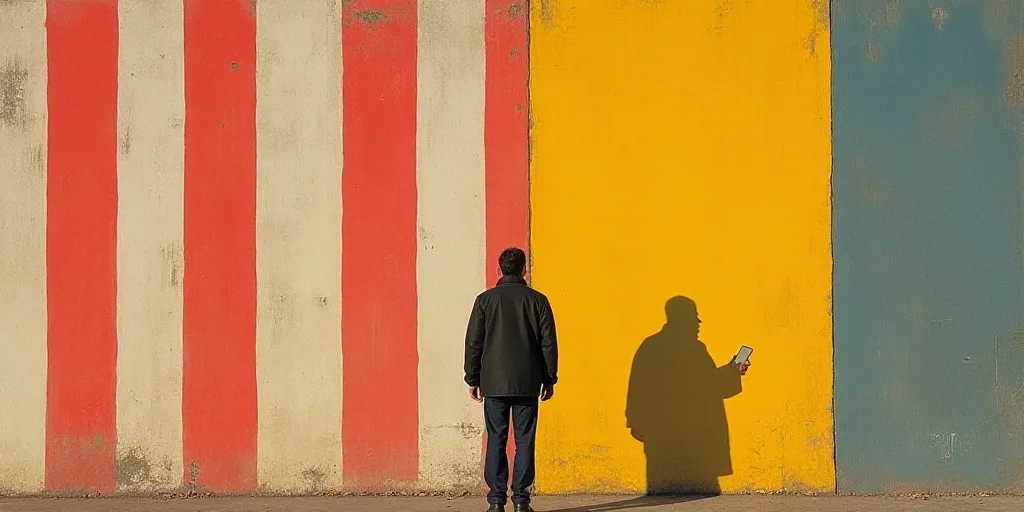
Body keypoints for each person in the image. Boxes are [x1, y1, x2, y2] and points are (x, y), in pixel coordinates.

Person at [464, 247, 558, 512]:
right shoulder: (538, 300)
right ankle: (521, 501)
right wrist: (550, 377)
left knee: (497, 438)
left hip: (493, 382)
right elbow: (548, 343)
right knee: (525, 440)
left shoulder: (485, 301)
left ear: (499, 269)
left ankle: (496, 501)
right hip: (528, 382)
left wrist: (472, 377)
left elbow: (474, 342)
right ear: (524, 270)